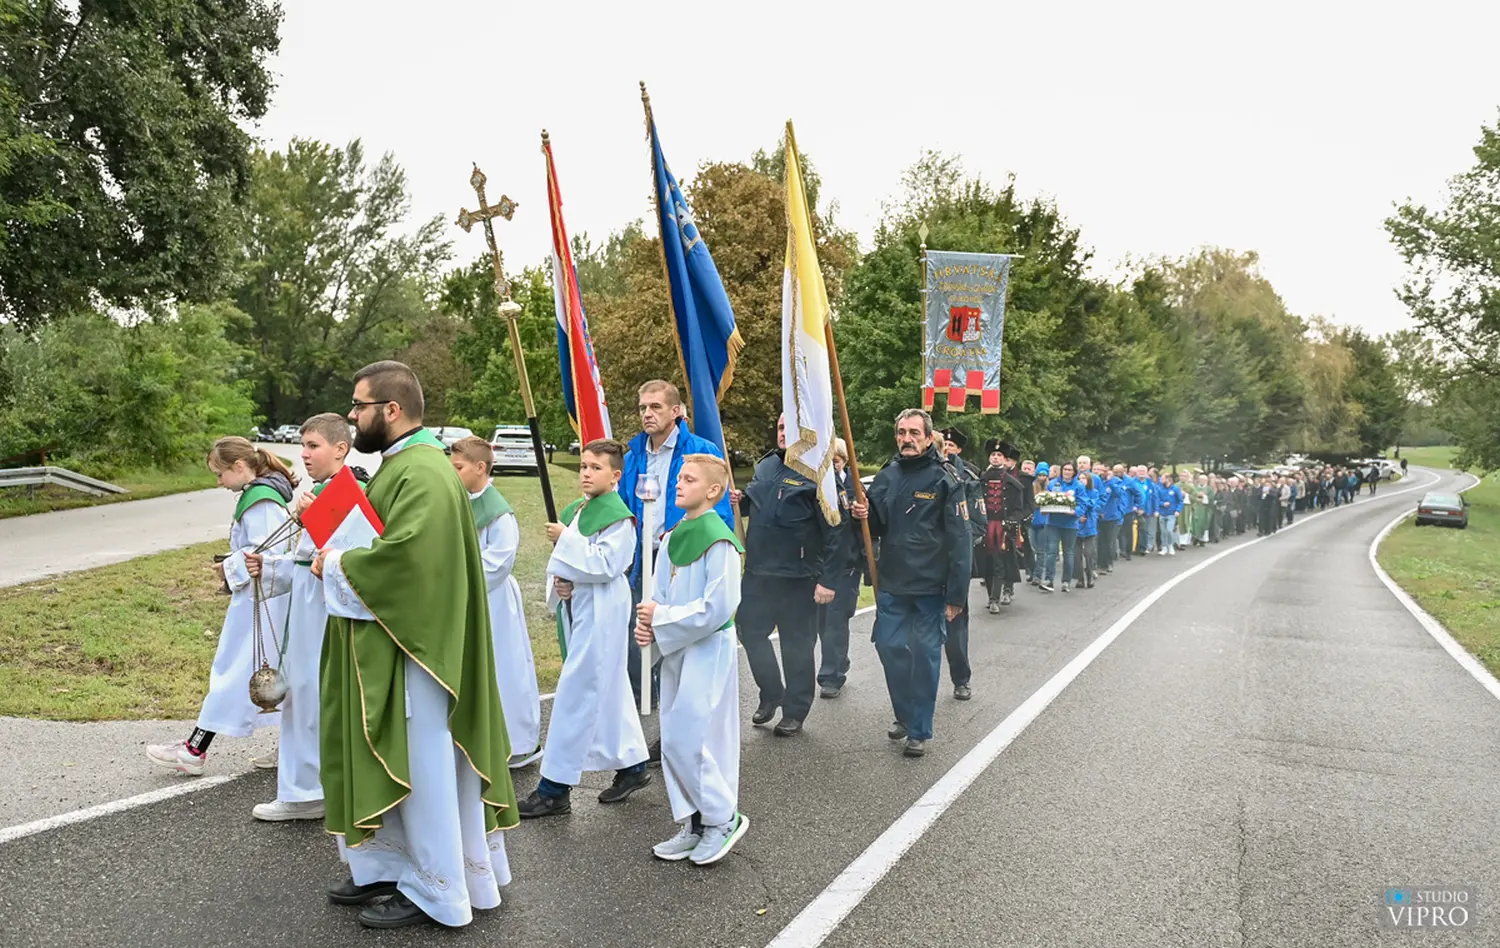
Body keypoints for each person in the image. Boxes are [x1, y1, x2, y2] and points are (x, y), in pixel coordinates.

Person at [314, 361, 515, 930]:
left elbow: (407, 562)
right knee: (411, 760)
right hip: (403, 639)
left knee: (424, 764)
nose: (353, 418)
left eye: (360, 406)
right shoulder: (401, 464)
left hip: (421, 653)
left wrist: (335, 561)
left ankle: (439, 888)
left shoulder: (423, 471)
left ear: (391, 410)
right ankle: (393, 867)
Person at [147, 437, 294, 776]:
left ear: (239, 467)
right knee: (275, 676)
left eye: (219, 474)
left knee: (233, 674)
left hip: (261, 605)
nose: (218, 482)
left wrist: (229, 567)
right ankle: (293, 745)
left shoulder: (260, 501)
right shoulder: (262, 495)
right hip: (264, 601)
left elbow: (265, 557)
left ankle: (193, 750)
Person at [246, 413, 366, 821]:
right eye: (303, 446)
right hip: (309, 609)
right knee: (307, 697)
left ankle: (304, 793)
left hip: (325, 613)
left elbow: (349, 558)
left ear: (340, 449)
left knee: (308, 698)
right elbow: (302, 563)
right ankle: (314, 785)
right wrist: (270, 566)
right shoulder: (319, 490)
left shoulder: (349, 493)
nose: (304, 454)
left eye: (313, 446)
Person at [522, 439, 651, 817]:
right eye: (582, 466)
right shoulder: (582, 510)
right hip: (583, 603)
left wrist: (566, 542)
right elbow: (576, 566)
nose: (586, 474)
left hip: (604, 608)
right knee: (608, 689)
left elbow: (607, 565)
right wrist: (565, 583)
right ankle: (633, 766)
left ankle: (554, 788)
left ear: (615, 475)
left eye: (595, 468)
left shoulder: (618, 517)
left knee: (577, 691)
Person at [634, 454, 749, 865]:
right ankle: (695, 821)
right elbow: (659, 593)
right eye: (678, 477)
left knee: (695, 738)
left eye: (689, 479)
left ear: (714, 490)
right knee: (673, 737)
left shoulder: (720, 540)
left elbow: (719, 606)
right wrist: (649, 622)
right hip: (676, 648)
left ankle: (723, 818)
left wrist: (661, 618)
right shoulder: (672, 536)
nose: (678, 484)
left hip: (707, 649)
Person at [850, 409, 970, 758]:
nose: (907, 439)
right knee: (888, 647)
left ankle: (918, 729)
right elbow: (879, 524)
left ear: (929, 437)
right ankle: (904, 713)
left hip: (932, 588)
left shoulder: (946, 479)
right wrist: (864, 516)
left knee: (926, 655)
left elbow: (960, 540)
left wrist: (957, 595)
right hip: (893, 584)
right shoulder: (887, 476)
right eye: (902, 432)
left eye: (914, 432)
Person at [620, 380, 733, 711]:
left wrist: (707, 552)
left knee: (677, 633)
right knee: (639, 637)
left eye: (655, 407)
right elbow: (628, 506)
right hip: (644, 559)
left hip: (684, 557)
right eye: (642, 408)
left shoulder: (700, 451)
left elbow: (718, 510)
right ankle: (647, 712)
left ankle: (677, 716)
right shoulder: (634, 456)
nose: (647, 414)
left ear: (676, 411)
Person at [730, 413, 841, 735]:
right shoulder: (766, 466)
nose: (782, 434)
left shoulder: (819, 474)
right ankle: (771, 692)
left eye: (788, 429)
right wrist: (743, 500)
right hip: (759, 573)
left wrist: (828, 580)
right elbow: (761, 504)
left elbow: (836, 532)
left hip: (799, 577)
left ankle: (795, 710)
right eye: (779, 427)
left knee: (797, 645)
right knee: (749, 631)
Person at [450, 436, 542, 770]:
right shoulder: (460, 500)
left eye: (458, 467)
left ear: (480, 467)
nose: (453, 473)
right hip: (462, 597)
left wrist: (458, 576)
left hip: (492, 600)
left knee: (503, 666)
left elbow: (499, 562)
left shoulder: (498, 512)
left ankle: (516, 742)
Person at [937, 427, 982, 700]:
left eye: (951, 445)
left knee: (955, 626)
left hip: (953, 562)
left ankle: (961, 678)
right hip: (921, 564)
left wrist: (960, 543)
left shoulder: (968, 478)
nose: (947, 449)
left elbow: (977, 521)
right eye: (944, 444)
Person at [817, 438, 864, 699]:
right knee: (821, 622)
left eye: (836, 461)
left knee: (836, 619)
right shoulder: (819, 485)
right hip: (820, 562)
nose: (832, 466)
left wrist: (861, 513)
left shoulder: (854, 486)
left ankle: (831, 675)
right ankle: (839, 660)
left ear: (844, 461)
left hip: (846, 564)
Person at [980, 439, 1027, 610]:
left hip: (1002, 528)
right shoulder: (981, 479)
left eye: (999, 455)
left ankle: (994, 599)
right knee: (986, 563)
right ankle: (990, 597)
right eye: (993, 454)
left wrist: (1011, 522)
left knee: (999, 563)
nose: (995, 458)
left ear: (1004, 459)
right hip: (985, 526)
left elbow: (1018, 509)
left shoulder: (1012, 483)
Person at [1075, 469, 1100, 588]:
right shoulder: (1075, 491)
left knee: (1088, 553)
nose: (1081, 481)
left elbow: (1091, 504)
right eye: (1079, 479)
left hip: (1089, 525)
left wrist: (1082, 501)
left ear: (1089, 480)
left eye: (1084, 479)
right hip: (1076, 525)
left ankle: (1090, 575)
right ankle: (1080, 579)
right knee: (1077, 554)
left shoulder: (1094, 492)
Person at [1156, 472, 1182, 556]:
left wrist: (1178, 510)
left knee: (1169, 530)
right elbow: (1157, 500)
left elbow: (1180, 501)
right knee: (1163, 532)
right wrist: (1162, 504)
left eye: (1163, 479)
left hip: (1171, 513)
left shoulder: (1175, 489)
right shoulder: (1160, 489)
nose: (1161, 480)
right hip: (1162, 513)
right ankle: (1164, 547)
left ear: (1168, 479)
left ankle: (1171, 545)